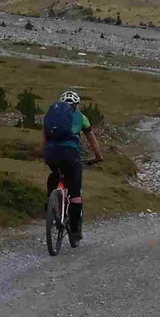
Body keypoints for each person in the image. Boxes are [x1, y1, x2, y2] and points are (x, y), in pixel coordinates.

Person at [40, 89, 103, 246]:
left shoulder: (52, 116)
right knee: (75, 194)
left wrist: (45, 156)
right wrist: (98, 157)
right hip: (70, 154)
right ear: (76, 105)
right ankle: (74, 232)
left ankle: (50, 205)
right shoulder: (81, 118)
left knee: (55, 174)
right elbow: (92, 140)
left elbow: (44, 138)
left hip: (51, 153)